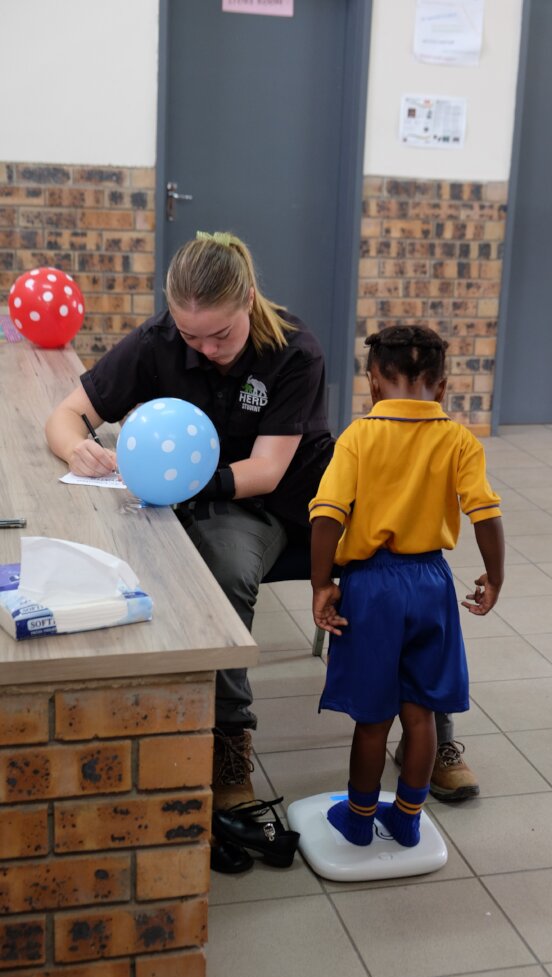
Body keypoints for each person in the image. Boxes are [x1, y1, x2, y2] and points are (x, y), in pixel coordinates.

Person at [45, 230, 335, 811]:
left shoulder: (294, 353)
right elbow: (66, 415)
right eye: (189, 335)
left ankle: (231, 733)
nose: (204, 349)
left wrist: (174, 483)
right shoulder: (158, 340)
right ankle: (156, 713)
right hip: (194, 492)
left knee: (228, 571)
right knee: (125, 546)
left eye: (220, 335)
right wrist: (77, 447)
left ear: (248, 299)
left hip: (271, 501)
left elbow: (265, 471)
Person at [309, 325, 504, 845]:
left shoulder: (357, 436)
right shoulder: (459, 440)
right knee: (421, 715)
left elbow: (327, 514)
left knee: (373, 719)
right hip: (431, 582)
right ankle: (408, 818)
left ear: (373, 382)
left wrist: (321, 584)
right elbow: (485, 512)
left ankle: (358, 819)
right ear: (443, 386)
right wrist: (495, 575)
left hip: (371, 586)